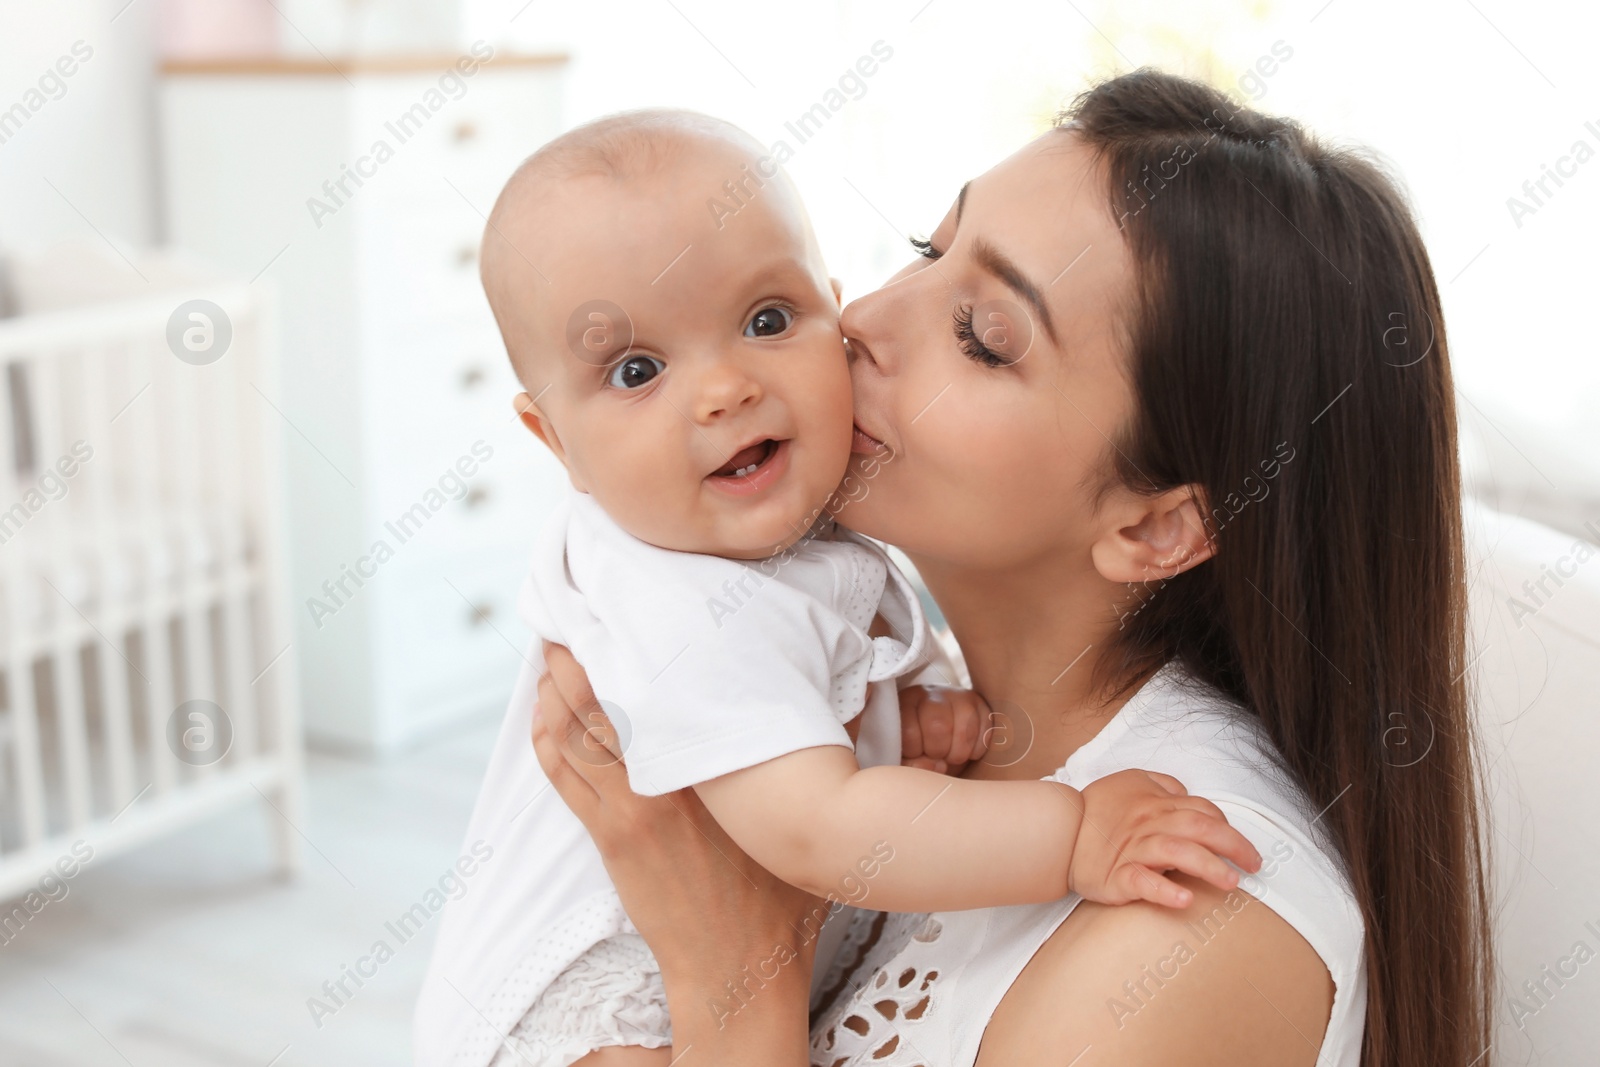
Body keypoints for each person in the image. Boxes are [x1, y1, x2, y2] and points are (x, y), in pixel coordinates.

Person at [531, 70, 1494, 1067]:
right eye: (926, 250)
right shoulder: (900, 717)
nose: (861, 316)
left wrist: (731, 978)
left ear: (1157, 528)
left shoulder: (1185, 922)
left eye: (981, 338)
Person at [413, 108, 1262, 1067]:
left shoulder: (752, 538)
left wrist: (895, 717)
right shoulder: (672, 593)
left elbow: (804, 684)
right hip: (582, 1015)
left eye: (768, 320)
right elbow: (818, 827)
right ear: (554, 442)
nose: (724, 389)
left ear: (1155, 523)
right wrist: (1075, 834)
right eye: (637, 370)